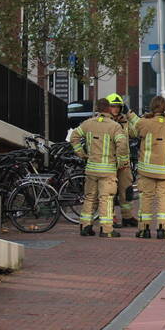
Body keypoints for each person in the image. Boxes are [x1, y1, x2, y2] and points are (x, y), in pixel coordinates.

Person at [69, 97, 130, 238]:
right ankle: (106, 229)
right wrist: (121, 162)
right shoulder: (114, 126)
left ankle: (85, 226)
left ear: (97, 109)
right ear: (108, 108)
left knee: (90, 197)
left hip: (91, 168)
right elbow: (122, 145)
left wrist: (82, 153)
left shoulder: (88, 124)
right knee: (106, 198)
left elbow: (74, 137)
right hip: (107, 170)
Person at [133, 96, 165, 239]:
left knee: (146, 198)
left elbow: (133, 133)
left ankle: (144, 229)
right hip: (164, 171)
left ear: (151, 106)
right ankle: (162, 229)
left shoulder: (144, 123)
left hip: (146, 169)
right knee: (163, 199)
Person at [106, 93, 139, 228]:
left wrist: (129, 115)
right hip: (110, 162)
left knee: (127, 190)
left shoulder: (124, 121)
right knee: (110, 191)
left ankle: (127, 216)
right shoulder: (103, 122)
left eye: (118, 107)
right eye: (113, 107)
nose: (116, 109)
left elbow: (136, 131)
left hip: (124, 164)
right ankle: (111, 217)